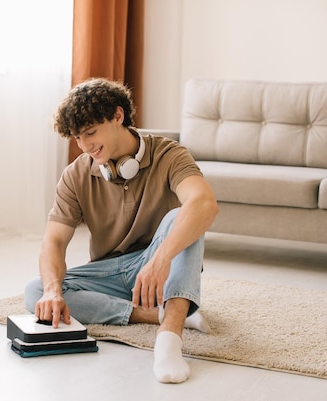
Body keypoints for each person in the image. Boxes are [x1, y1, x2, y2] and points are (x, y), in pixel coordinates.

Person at [24, 78, 219, 384]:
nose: (85, 146)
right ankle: (153, 314)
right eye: (77, 137)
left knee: (184, 215)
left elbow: (205, 203)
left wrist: (161, 259)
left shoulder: (169, 154)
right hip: (110, 272)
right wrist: (52, 291)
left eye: (90, 133)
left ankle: (169, 338)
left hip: (159, 265)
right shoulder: (76, 174)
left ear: (118, 116)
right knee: (36, 290)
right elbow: (54, 241)